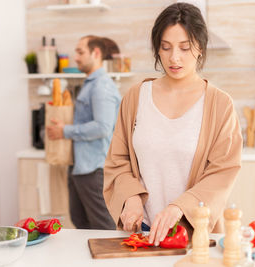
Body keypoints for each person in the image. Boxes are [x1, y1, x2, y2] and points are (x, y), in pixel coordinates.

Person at [103, 2, 243, 246]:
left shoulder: (220, 104)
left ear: (200, 47)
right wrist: (131, 197)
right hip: (143, 233)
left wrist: (179, 207)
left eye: (184, 48)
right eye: (165, 47)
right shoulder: (136, 97)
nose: (174, 57)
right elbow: (118, 160)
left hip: (192, 234)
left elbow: (223, 172)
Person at [47, 35, 121, 230]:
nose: (76, 58)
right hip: (81, 166)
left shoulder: (101, 86)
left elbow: (102, 127)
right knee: (81, 223)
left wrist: (65, 131)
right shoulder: (91, 84)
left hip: (94, 168)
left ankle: (109, 262)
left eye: (80, 52)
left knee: (103, 227)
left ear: (96, 53)